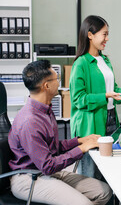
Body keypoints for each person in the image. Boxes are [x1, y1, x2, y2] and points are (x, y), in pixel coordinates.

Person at [8, 60, 112, 205]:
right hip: (28, 178)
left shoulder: (45, 109)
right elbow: (48, 165)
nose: (59, 82)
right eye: (57, 79)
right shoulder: (30, 121)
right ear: (46, 85)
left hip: (45, 171)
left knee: (104, 191)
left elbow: (53, 146)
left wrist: (80, 140)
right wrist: (81, 149)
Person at [70, 15, 121, 177]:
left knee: (109, 169)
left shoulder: (105, 60)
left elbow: (112, 89)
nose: (107, 39)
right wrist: (105, 96)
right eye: (104, 34)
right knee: (90, 173)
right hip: (89, 124)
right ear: (90, 35)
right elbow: (78, 99)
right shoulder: (81, 63)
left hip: (110, 118)